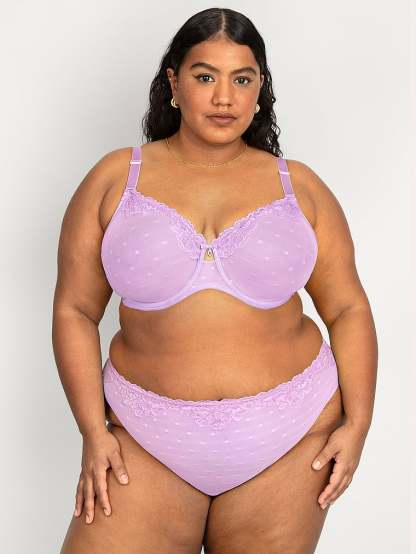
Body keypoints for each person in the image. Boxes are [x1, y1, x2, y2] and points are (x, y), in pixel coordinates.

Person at [53, 7, 377, 554]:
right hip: (144, 438)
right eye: (205, 77)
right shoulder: (115, 178)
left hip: (292, 437)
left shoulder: (300, 187)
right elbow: (75, 310)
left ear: (259, 90)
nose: (224, 98)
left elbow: (348, 308)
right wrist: (91, 429)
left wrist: (359, 423)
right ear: (173, 84)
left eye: (242, 79)